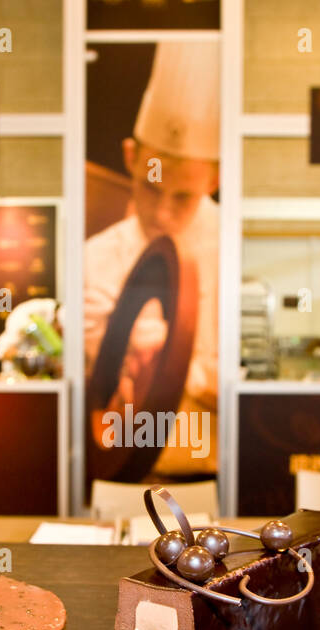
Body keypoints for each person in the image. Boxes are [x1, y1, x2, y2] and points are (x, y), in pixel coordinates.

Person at [83, 41, 219, 478]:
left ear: (214, 177)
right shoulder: (94, 257)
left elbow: (256, 386)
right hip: (115, 475)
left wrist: (184, 369)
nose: (163, 213)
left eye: (183, 196)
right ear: (130, 157)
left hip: (214, 474)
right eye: (151, 187)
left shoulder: (238, 253)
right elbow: (89, 388)